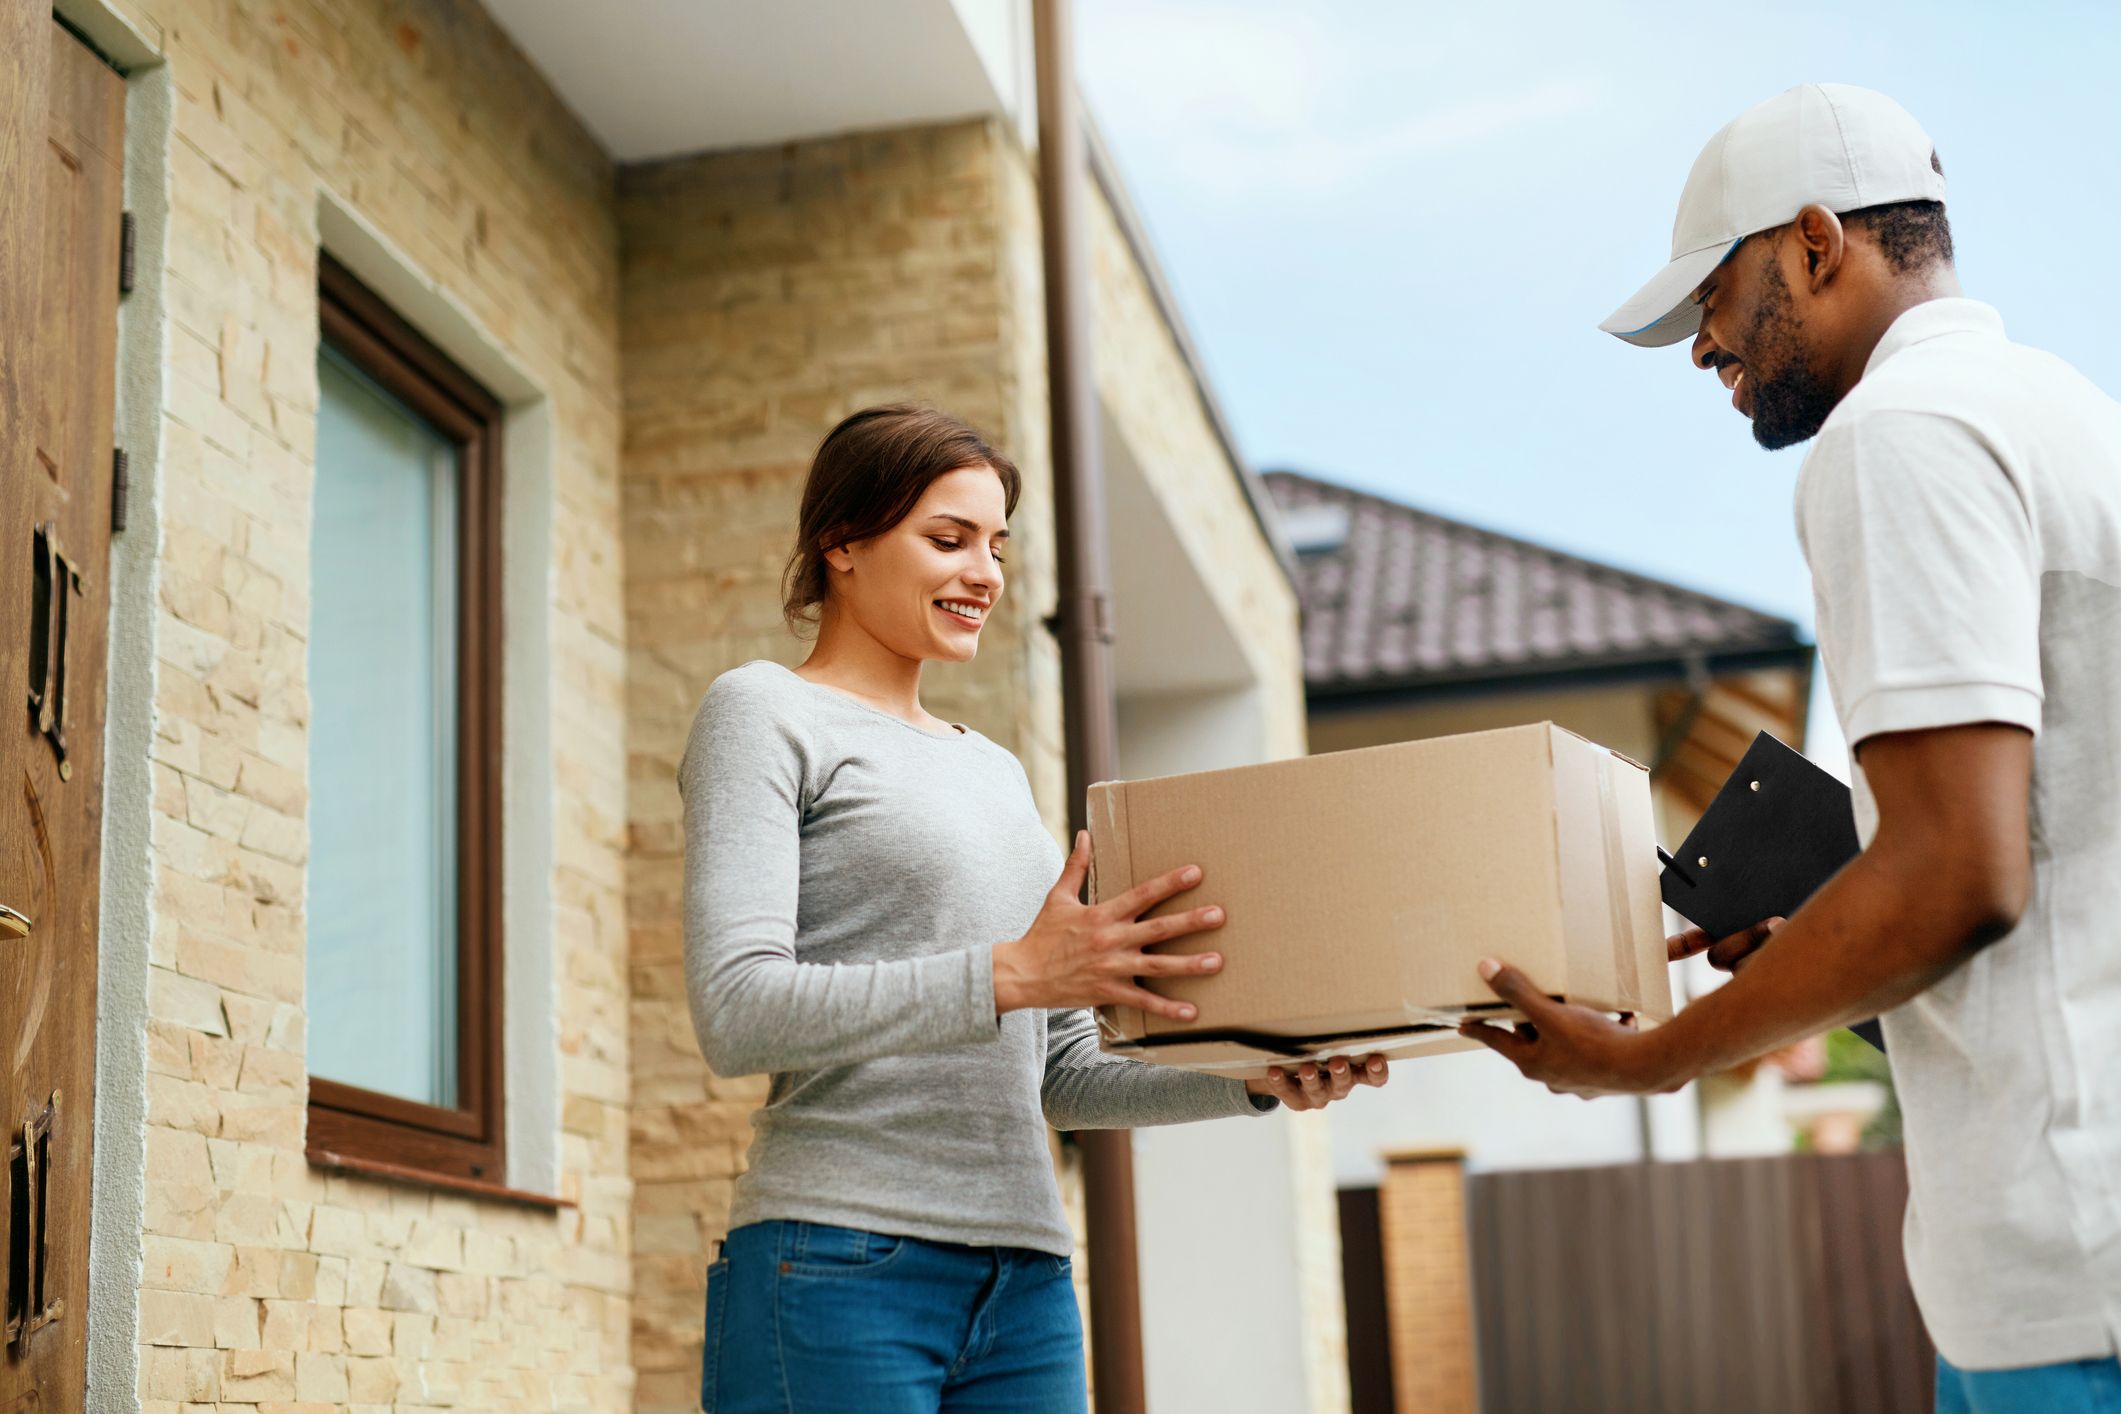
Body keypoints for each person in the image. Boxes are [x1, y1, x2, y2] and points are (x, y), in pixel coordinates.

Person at [1460, 84, 2121, 1413]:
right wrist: (1836, 952)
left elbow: (1956, 876)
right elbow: (2047, 871)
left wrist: (1642, 1056)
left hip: (2065, 1255)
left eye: (1714, 297)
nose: (1704, 348)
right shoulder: (2070, 415)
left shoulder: (1898, 435)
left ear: (1818, 241)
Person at [682, 403, 1389, 1413]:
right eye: (948, 538)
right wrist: (1011, 970)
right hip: (836, 1260)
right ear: (841, 541)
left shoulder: (998, 772)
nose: (985, 573)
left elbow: (1058, 1072)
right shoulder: (764, 712)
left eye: (996, 545)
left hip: (1024, 1278)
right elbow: (737, 1009)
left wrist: (1254, 1076)